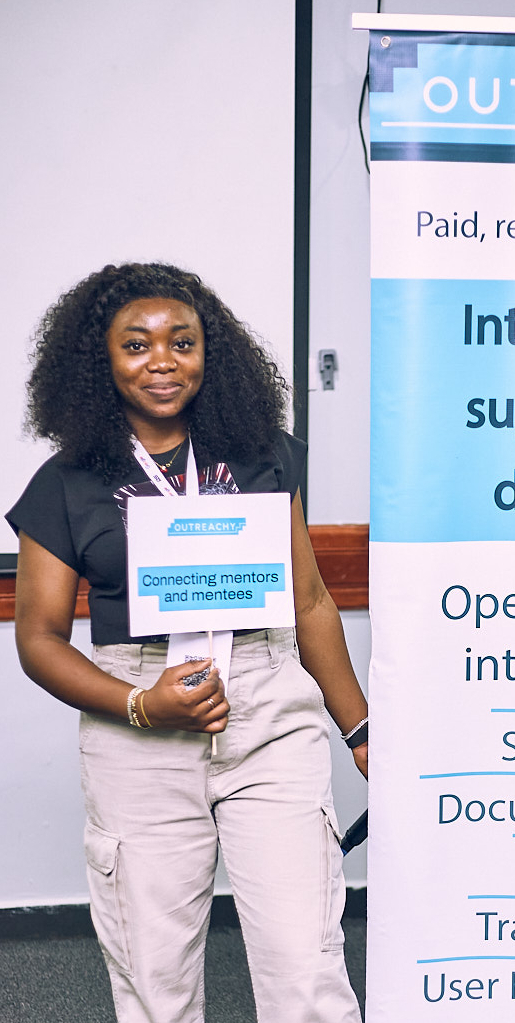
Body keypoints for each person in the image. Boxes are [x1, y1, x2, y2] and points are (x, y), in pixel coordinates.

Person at [7, 263, 368, 1023]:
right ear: (100, 362)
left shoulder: (264, 451)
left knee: (307, 969)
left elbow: (307, 600)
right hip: (135, 718)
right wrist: (142, 703)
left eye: (183, 341)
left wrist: (361, 728)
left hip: (266, 701)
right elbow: (39, 638)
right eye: (135, 344)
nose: (162, 359)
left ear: (213, 354)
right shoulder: (66, 482)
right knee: (154, 977)